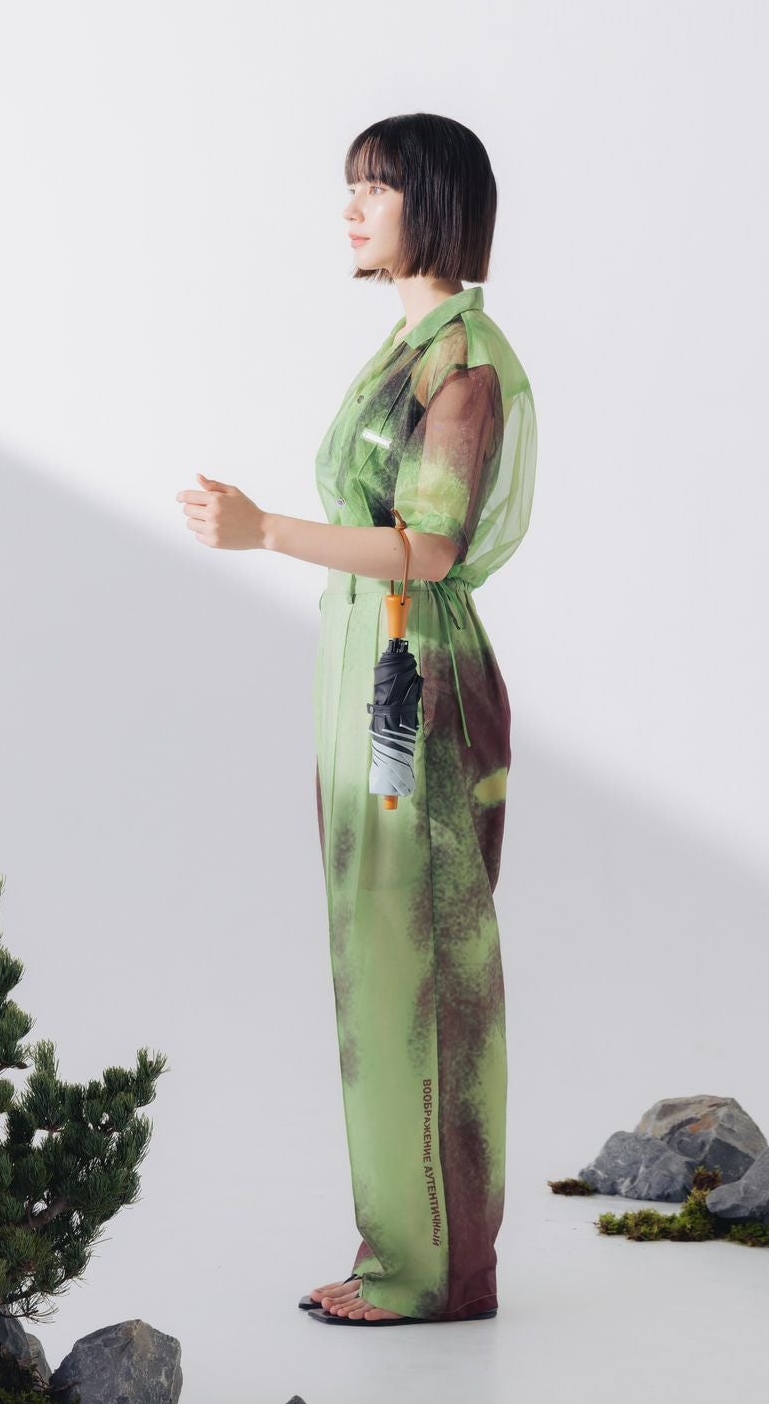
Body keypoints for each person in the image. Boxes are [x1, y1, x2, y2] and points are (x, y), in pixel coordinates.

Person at [176, 111, 537, 1324]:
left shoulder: (462, 363)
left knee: (418, 954)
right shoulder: (410, 347)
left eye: (374, 189)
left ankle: (435, 1269)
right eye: (352, 187)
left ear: (432, 205)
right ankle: (401, 1249)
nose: (351, 208)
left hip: (409, 673)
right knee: (375, 950)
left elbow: (430, 544)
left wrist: (265, 529)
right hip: (371, 660)